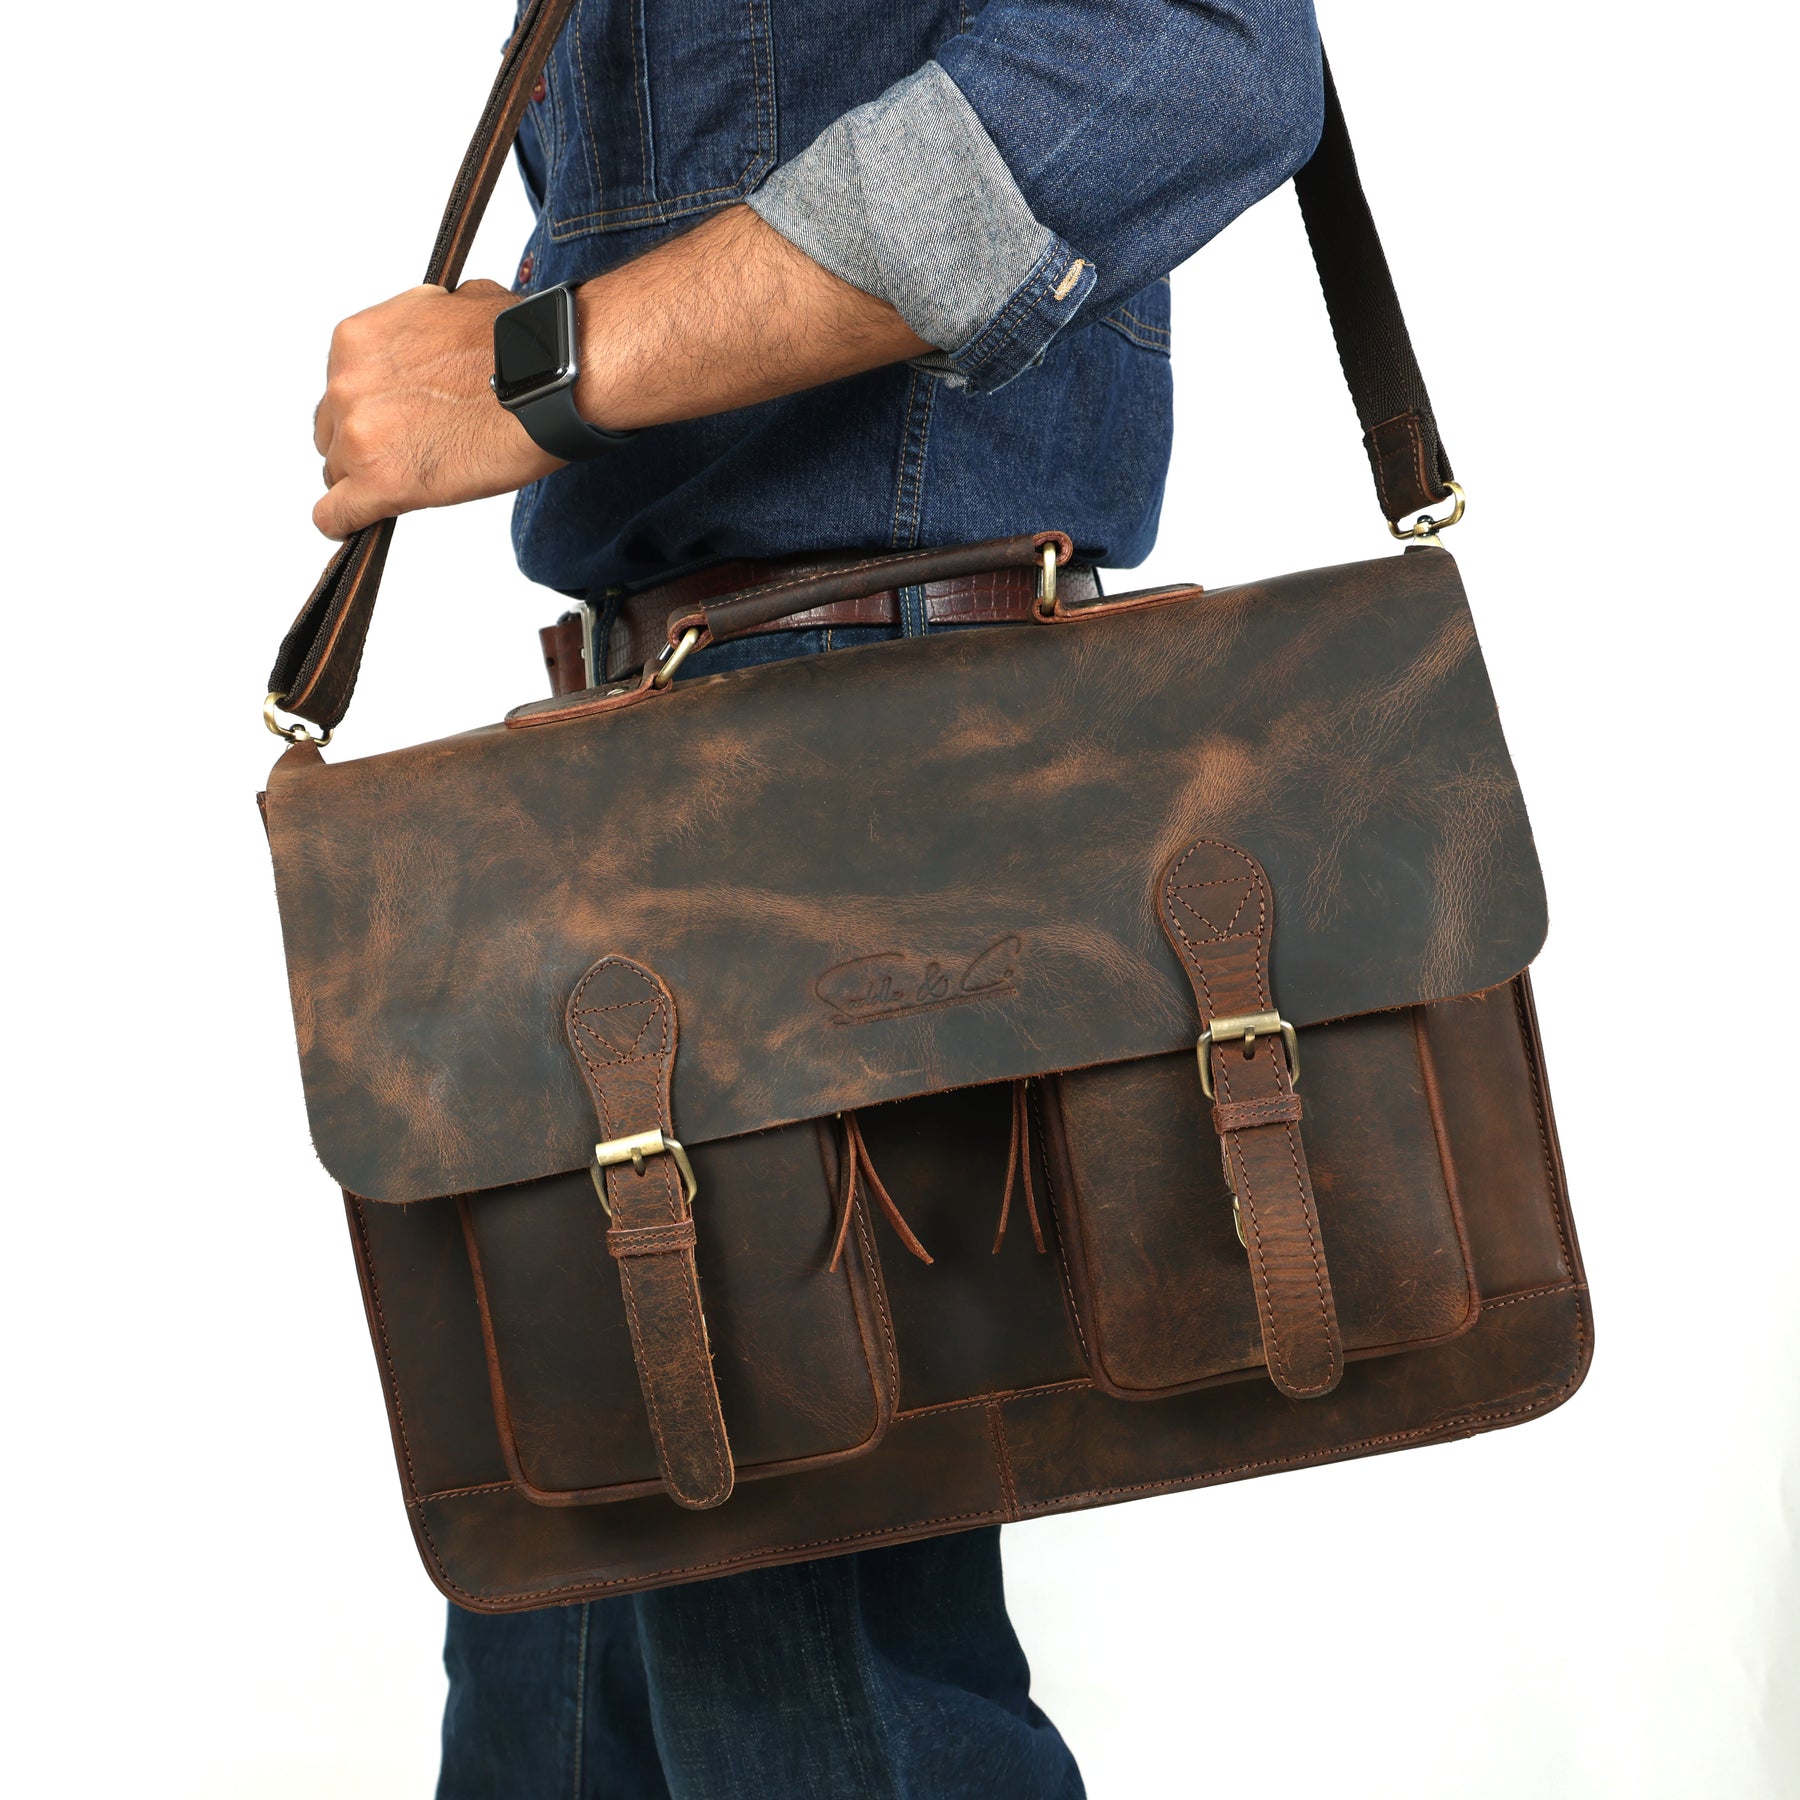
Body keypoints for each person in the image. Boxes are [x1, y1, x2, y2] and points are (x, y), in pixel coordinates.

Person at [311, 2, 1323, 1792]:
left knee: (818, 1715)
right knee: (569, 1668)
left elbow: (1195, 50)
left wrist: (546, 363)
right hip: (645, 772)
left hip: (842, 766)